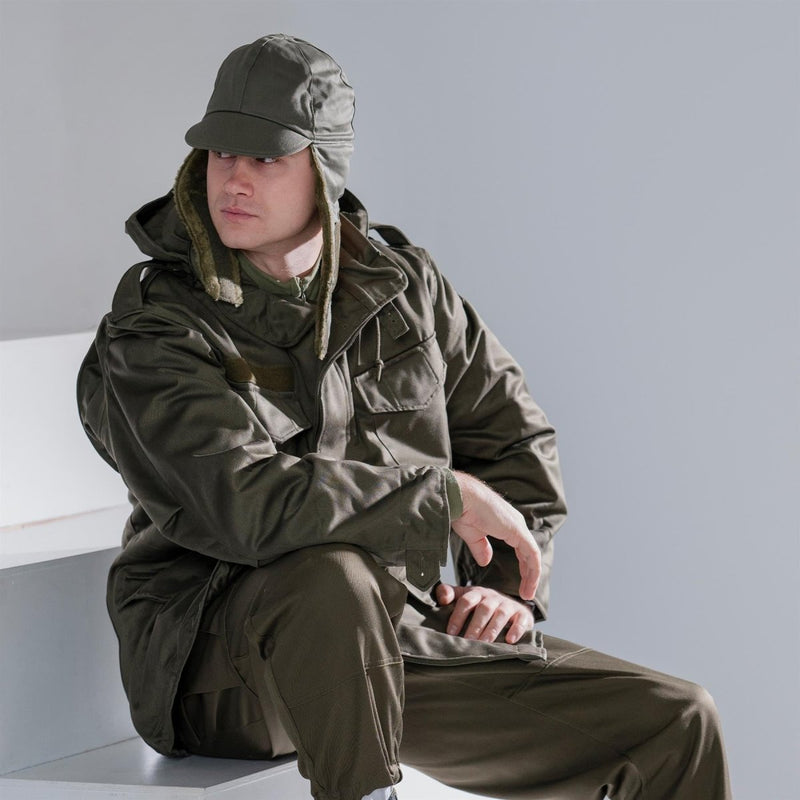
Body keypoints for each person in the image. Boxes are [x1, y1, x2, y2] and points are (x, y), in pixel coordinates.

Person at [77, 34, 731, 800]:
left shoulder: (406, 291)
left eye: (266, 159)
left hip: (393, 639)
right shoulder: (156, 326)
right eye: (223, 154)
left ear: (323, 170)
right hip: (217, 667)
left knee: (676, 722)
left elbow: (512, 437)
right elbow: (238, 502)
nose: (235, 179)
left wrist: (501, 587)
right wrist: (439, 497)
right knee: (327, 576)